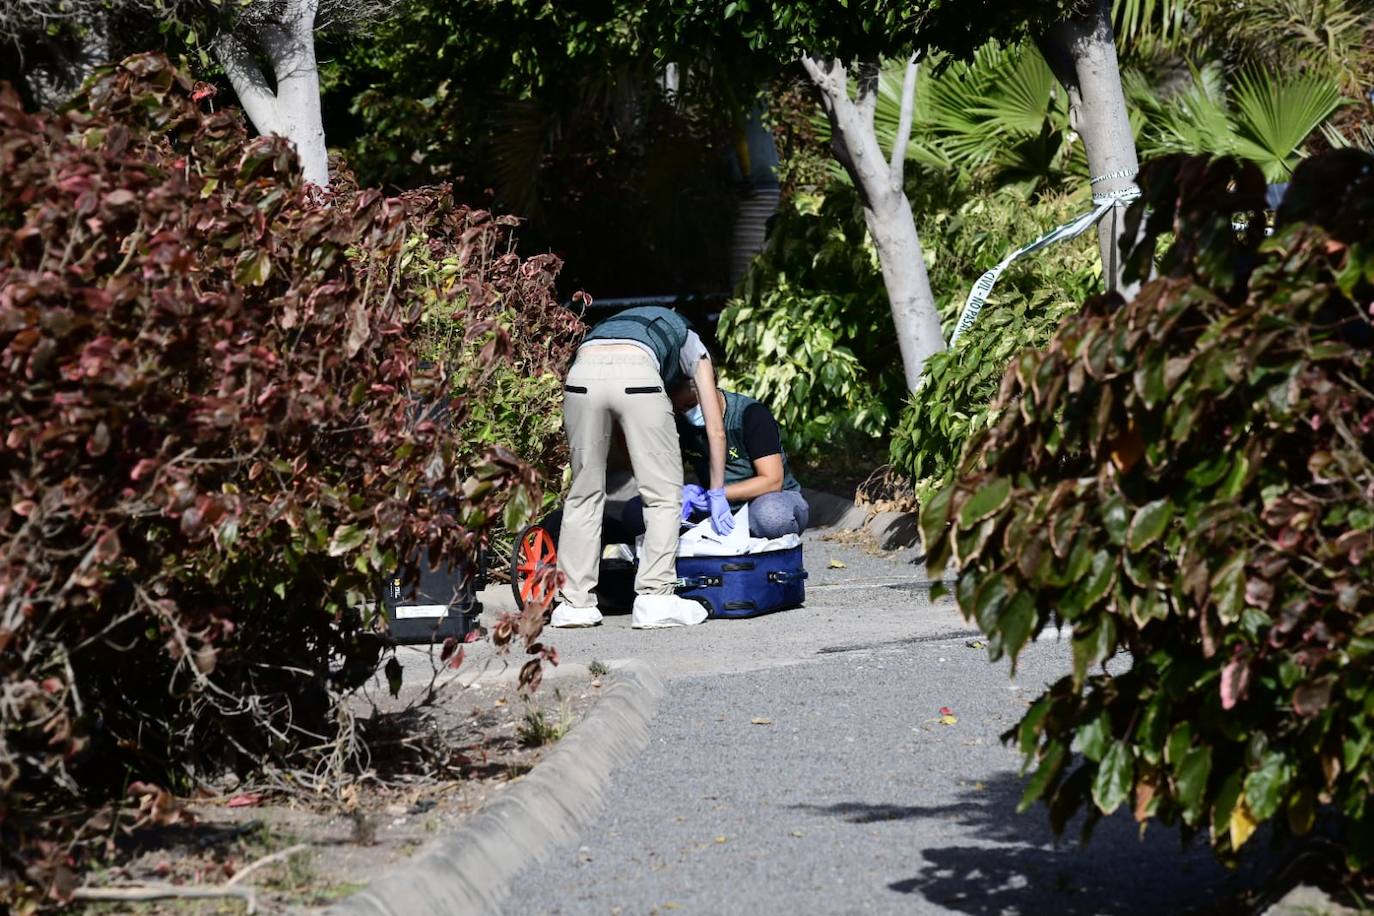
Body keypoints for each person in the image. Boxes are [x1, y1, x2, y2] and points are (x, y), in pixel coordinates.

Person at [552, 306, 732, 629]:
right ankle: (655, 597)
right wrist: (717, 490)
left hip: (581, 375)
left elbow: (624, 437)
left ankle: (574, 604)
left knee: (583, 494)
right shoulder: (692, 343)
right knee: (663, 496)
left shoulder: (621, 324)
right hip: (638, 377)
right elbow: (715, 428)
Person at [624, 382, 809, 539]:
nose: (688, 413)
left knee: (771, 515)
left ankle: (740, 532)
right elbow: (662, 473)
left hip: (765, 500)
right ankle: (709, 535)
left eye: (691, 404)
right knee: (636, 512)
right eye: (681, 409)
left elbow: (772, 481)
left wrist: (719, 494)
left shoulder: (751, 414)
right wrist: (681, 495)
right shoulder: (683, 423)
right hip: (711, 506)